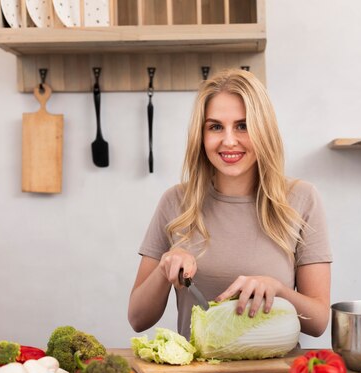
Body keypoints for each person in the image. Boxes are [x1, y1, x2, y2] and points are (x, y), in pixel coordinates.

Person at [128, 68, 332, 341]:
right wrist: (164, 268)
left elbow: (318, 323)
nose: (228, 140)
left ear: (263, 130)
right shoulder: (176, 202)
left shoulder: (302, 199)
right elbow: (138, 319)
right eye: (215, 127)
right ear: (201, 137)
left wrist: (279, 290)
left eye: (242, 125)